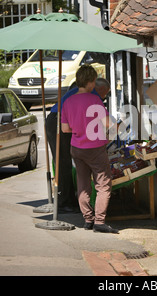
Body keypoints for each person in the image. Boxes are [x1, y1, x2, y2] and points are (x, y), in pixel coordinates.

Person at [61, 65, 118, 234]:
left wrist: (80, 128)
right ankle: (99, 222)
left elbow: (65, 128)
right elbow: (109, 123)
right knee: (103, 184)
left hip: (77, 147)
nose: (94, 85)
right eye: (93, 81)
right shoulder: (94, 100)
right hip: (95, 148)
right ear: (90, 82)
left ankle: (87, 219)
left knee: (83, 184)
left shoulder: (68, 101)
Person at [46, 77, 110, 213]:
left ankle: (68, 199)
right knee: (63, 162)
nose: (104, 98)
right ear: (100, 89)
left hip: (55, 120)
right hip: (57, 122)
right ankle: (65, 202)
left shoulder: (81, 90)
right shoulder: (91, 94)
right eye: (105, 94)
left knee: (64, 162)